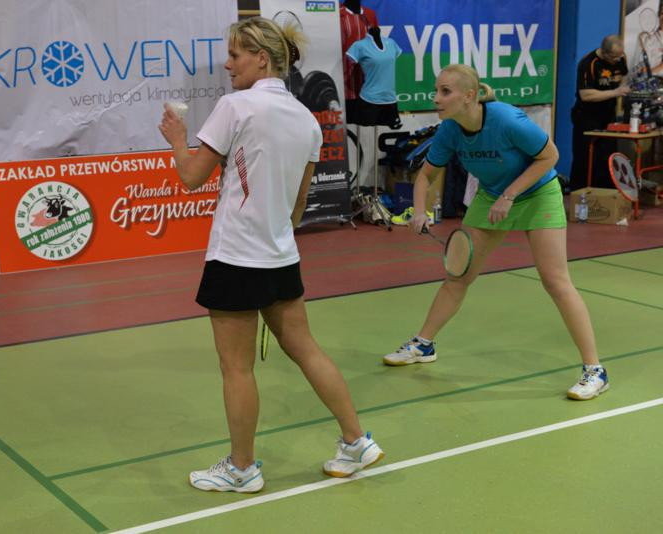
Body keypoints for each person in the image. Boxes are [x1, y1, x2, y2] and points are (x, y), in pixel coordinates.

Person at [158, 16, 383, 494]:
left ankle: (242, 469)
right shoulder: (307, 119)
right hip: (281, 255)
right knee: (307, 349)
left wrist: (177, 141)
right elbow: (299, 204)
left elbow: (191, 177)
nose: (227, 64)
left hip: (235, 257)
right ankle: (356, 440)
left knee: (236, 368)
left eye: (235, 55)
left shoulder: (235, 106)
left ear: (261, 58)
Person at [383, 64, 609, 401]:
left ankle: (595, 370)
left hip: (536, 193)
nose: (436, 98)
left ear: (469, 96)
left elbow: (550, 156)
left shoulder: (506, 120)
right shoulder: (449, 130)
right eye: (436, 91)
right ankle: (423, 344)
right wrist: (418, 211)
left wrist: (510, 195)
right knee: (457, 275)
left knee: (556, 281)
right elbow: (426, 176)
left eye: (445, 91)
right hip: (491, 196)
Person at [570, 35, 630, 191]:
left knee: (608, 156)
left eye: (620, 56)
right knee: (585, 157)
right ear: (604, 53)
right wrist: (615, 92)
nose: (618, 60)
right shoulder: (588, 64)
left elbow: (624, 76)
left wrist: (622, 89)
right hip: (587, 116)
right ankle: (580, 192)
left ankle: (606, 193)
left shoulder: (621, 58)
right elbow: (586, 95)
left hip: (608, 116)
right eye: (614, 57)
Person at [340, 0, 380, 124]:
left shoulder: (370, 15)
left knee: (366, 124)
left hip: (366, 84)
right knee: (346, 124)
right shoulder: (337, 15)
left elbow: (377, 46)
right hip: (345, 84)